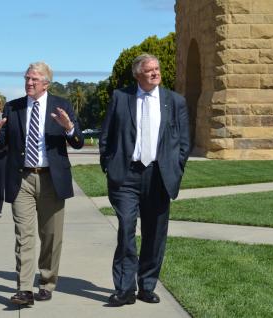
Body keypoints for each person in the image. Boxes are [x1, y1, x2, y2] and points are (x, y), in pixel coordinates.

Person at [0, 62, 84, 305]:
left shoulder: (61, 106)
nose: (29, 82)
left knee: (51, 236)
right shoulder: (14, 107)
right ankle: (24, 289)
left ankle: (47, 281)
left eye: (34, 79)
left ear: (46, 83)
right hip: (22, 179)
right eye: (27, 78)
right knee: (24, 235)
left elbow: (78, 142)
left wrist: (69, 127)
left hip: (52, 179)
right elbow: (4, 147)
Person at [99, 53, 190, 306]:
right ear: (138, 74)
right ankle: (124, 288)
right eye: (149, 70)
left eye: (157, 69)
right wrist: (108, 164)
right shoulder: (121, 97)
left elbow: (184, 142)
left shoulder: (175, 101)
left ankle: (147, 285)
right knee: (127, 227)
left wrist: (176, 168)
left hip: (160, 176)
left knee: (155, 233)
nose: (155, 73)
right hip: (126, 175)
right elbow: (106, 135)